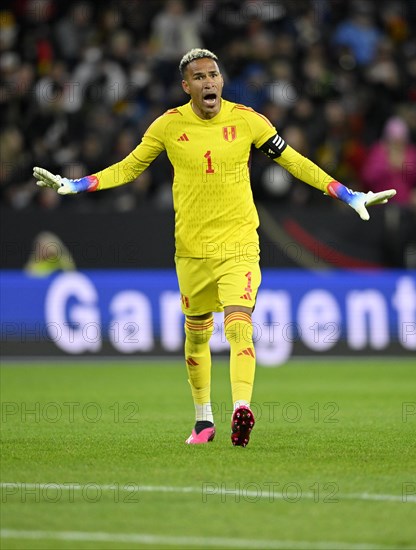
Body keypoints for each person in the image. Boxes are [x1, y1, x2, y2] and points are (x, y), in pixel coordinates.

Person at [33, 48, 396, 447]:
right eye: (200, 77)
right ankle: (203, 421)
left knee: (239, 323)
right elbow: (130, 166)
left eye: (213, 75)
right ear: (186, 86)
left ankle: (242, 407)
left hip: (239, 244)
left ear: (222, 81)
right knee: (196, 337)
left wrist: (347, 194)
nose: (208, 82)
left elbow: (295, 161)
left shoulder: (248, 120)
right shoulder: (168, 126)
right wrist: (76, 184)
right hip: (191, 251)